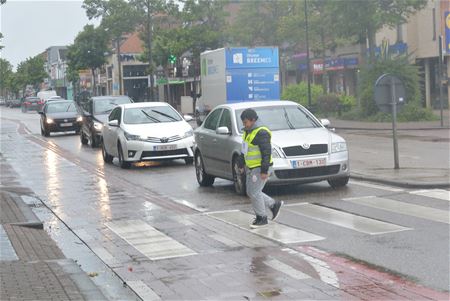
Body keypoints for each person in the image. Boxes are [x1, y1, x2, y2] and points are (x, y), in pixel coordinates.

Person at [238, 108, 283, 228]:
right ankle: (273, 205)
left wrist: (264, 170)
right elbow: (244, 151)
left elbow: (266, 153)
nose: (244, 124)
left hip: (260, 168)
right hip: (252, 168)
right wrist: (241, 164)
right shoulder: (247, 132)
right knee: (251, 192)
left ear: (253, 120)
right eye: (243, 122)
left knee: (254, 192)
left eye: (246, 122)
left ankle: (262, 218)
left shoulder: (261, 132)